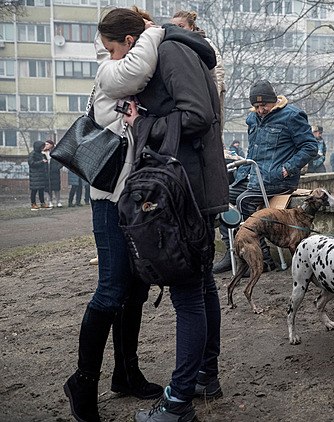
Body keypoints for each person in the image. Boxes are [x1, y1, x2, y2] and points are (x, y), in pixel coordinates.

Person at [107, 9, 229, 421]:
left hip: (186, 191)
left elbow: (197, 116)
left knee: (188, 294)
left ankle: (177, 404)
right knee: (200, 286)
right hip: (188, 185)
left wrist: (143, 123)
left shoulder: (173, 51)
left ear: (132, 39)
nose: (116, 63)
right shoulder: (174, 49)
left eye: (114, 52)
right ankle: (203, 376)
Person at [63, 12, 165, 422]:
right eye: (107, 49)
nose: (105, 55)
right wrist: (156, 31)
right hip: (108, 200)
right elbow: (137, 68)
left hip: (133, 200)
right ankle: (82, 380)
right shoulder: (112, 72)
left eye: (111, 48)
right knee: (111, 289)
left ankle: (126, 372)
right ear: (132, 39)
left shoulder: (124, 62)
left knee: (136, 289)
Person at [212, 80, 318, 274]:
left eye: (264, 106)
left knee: (244, 201)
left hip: (278, 180)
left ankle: (263, 259)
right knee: (221, 198)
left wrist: (287, 169)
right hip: (252, 177)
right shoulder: (252, 119)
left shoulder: (292, 116)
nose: (260, 110)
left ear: (274, 101)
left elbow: (310, 147)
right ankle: (232, 253)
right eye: (256, 106)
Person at [172, 9, 227, 139]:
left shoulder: (205, 44)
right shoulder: (173, 46)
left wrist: (212, 99)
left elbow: (217, 74)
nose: (177, 30)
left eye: (181, 26)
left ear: (191, 27)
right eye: (174, 27)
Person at [27, 141, 51, 210]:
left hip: (41, 175)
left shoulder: (42, 154)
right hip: (35, 175)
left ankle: (42, 203)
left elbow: (45, 163)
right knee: (34, 190)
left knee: (41, 190)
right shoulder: (32, 154)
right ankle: (33, 203)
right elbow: (31, 163)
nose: (42, 148)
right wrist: (41, 162)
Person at [44, 139, 63, 207]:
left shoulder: (56, 152)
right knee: (49, 188)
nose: (46, 146)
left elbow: (61, 161)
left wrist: (57, 167)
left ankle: (58, 201)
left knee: (56, 188)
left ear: (51, 145)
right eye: (45, 144)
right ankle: (50, 201)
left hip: (55, 173)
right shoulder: (44, 153)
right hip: (47, 173)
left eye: (47, 144)